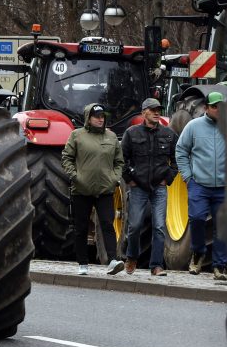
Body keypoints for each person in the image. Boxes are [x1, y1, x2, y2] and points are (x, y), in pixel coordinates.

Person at [61, 103, 126, 275]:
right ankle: (83, 263)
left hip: (105, 189)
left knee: (107, 223)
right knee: (81, 227)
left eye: (102, 116)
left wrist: (114, 178)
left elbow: (119, 162)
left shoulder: (111, 137)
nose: (100, 119)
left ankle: (113, 260)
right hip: (81, 190)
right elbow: (66, 158)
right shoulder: (77, 135)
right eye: (97, 116)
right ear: (88, 118)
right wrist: (76, 177)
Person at [120, 97, 178, 275]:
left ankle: (156, 266)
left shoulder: (168, 135)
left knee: (159, 226)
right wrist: (129, 179)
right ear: (143, 112)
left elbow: (177, 160)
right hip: (138, 186)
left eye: (158, 109)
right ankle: (131, 257)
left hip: (159, 187)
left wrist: (167, 178)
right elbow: (121, 159)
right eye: (152, 110)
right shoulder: (132, 133)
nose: (156, 112)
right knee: (135, 225)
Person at [175, 90, 227, 279]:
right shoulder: (193, 127)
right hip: (199, 185)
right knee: (196, 219)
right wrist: (188, 177)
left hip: (222, 187)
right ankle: (198, 253)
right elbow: (181, 151)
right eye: (215, 107)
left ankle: (220, 266)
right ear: (206, 108)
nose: (218, 110)